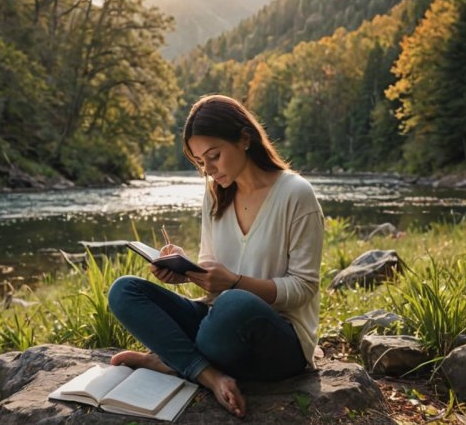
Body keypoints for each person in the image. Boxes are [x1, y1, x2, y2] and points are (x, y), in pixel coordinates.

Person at [107, 94, 324, 417]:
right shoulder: (215, 195)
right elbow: (212, 277)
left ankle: (175, 360)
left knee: (234, 303)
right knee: (125, 290)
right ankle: (207, 374)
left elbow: (303, 288)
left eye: (214, 156)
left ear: (245, 139)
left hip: (277, 339)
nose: (208, 170)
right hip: (218, 325)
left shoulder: (296, 194)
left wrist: (235, 283)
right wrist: (186, 271)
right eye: (200, 161)